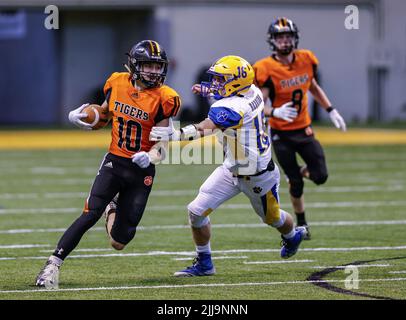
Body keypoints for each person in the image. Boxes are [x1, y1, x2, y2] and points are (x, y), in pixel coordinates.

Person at [35, 40, 181, 288]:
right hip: (115, 161)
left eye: (158, 67)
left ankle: (111, 209)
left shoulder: (165, 98)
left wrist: (151, 156)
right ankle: (52, 265)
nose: (154, 72)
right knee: (89, 213)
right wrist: (82, 118)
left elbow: (161, 148)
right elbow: (104, 115)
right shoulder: (117, 82)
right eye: (148, 66)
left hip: (142, 170)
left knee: (119, 241)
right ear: (134, 65)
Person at [150, 55, 307, 277]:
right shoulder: (252, 91)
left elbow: (206, 127)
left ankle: (293, 236)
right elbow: (229, 95)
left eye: (221, 79)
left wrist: (176, 134)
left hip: (258, 177)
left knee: (273, 219)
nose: (215, 83)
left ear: (236, 82)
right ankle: (205, 263)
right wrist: (209, 90)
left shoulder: (233, 106)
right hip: (232, 168)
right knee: (196, 211)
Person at [253, 17, 347, 240]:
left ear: (295, 38)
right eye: (280, 37)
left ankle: (299, 173)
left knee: (321, 175)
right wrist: (274, 112)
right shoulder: (265, 67)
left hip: (303, 129)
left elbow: (312, 86)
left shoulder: (306, 59)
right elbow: (256, 105)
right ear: (272, 41)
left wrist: (331, 110)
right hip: (279, 133)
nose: (284, 41)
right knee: (295, 183)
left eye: (288, 36)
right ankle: (302, 223)